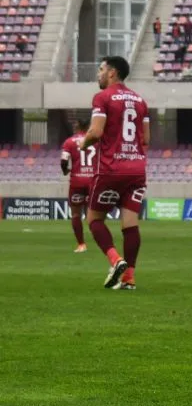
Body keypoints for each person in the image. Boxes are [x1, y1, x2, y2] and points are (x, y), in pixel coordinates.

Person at [81, 56, 149, 291]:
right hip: (137, 169)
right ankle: (129, 278)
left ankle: (115, 260)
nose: (98, 74)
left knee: (94, 219)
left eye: (101, 69)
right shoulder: (140, 101)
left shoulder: (103, 97)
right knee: (130, 224)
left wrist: (83, 144)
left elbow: (96, 132)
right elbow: (146, 138)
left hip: (111, 168)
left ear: (112, 73)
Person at [61, 118, 96, 253]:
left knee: (76, 215)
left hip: (77, 182)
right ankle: (101, 241)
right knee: (93, 215)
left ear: (76, 127)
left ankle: (81, 244)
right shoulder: (95, 141)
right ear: (88, 128)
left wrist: (65, 171)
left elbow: (64, 161)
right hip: (93, 181)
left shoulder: (69, 142)